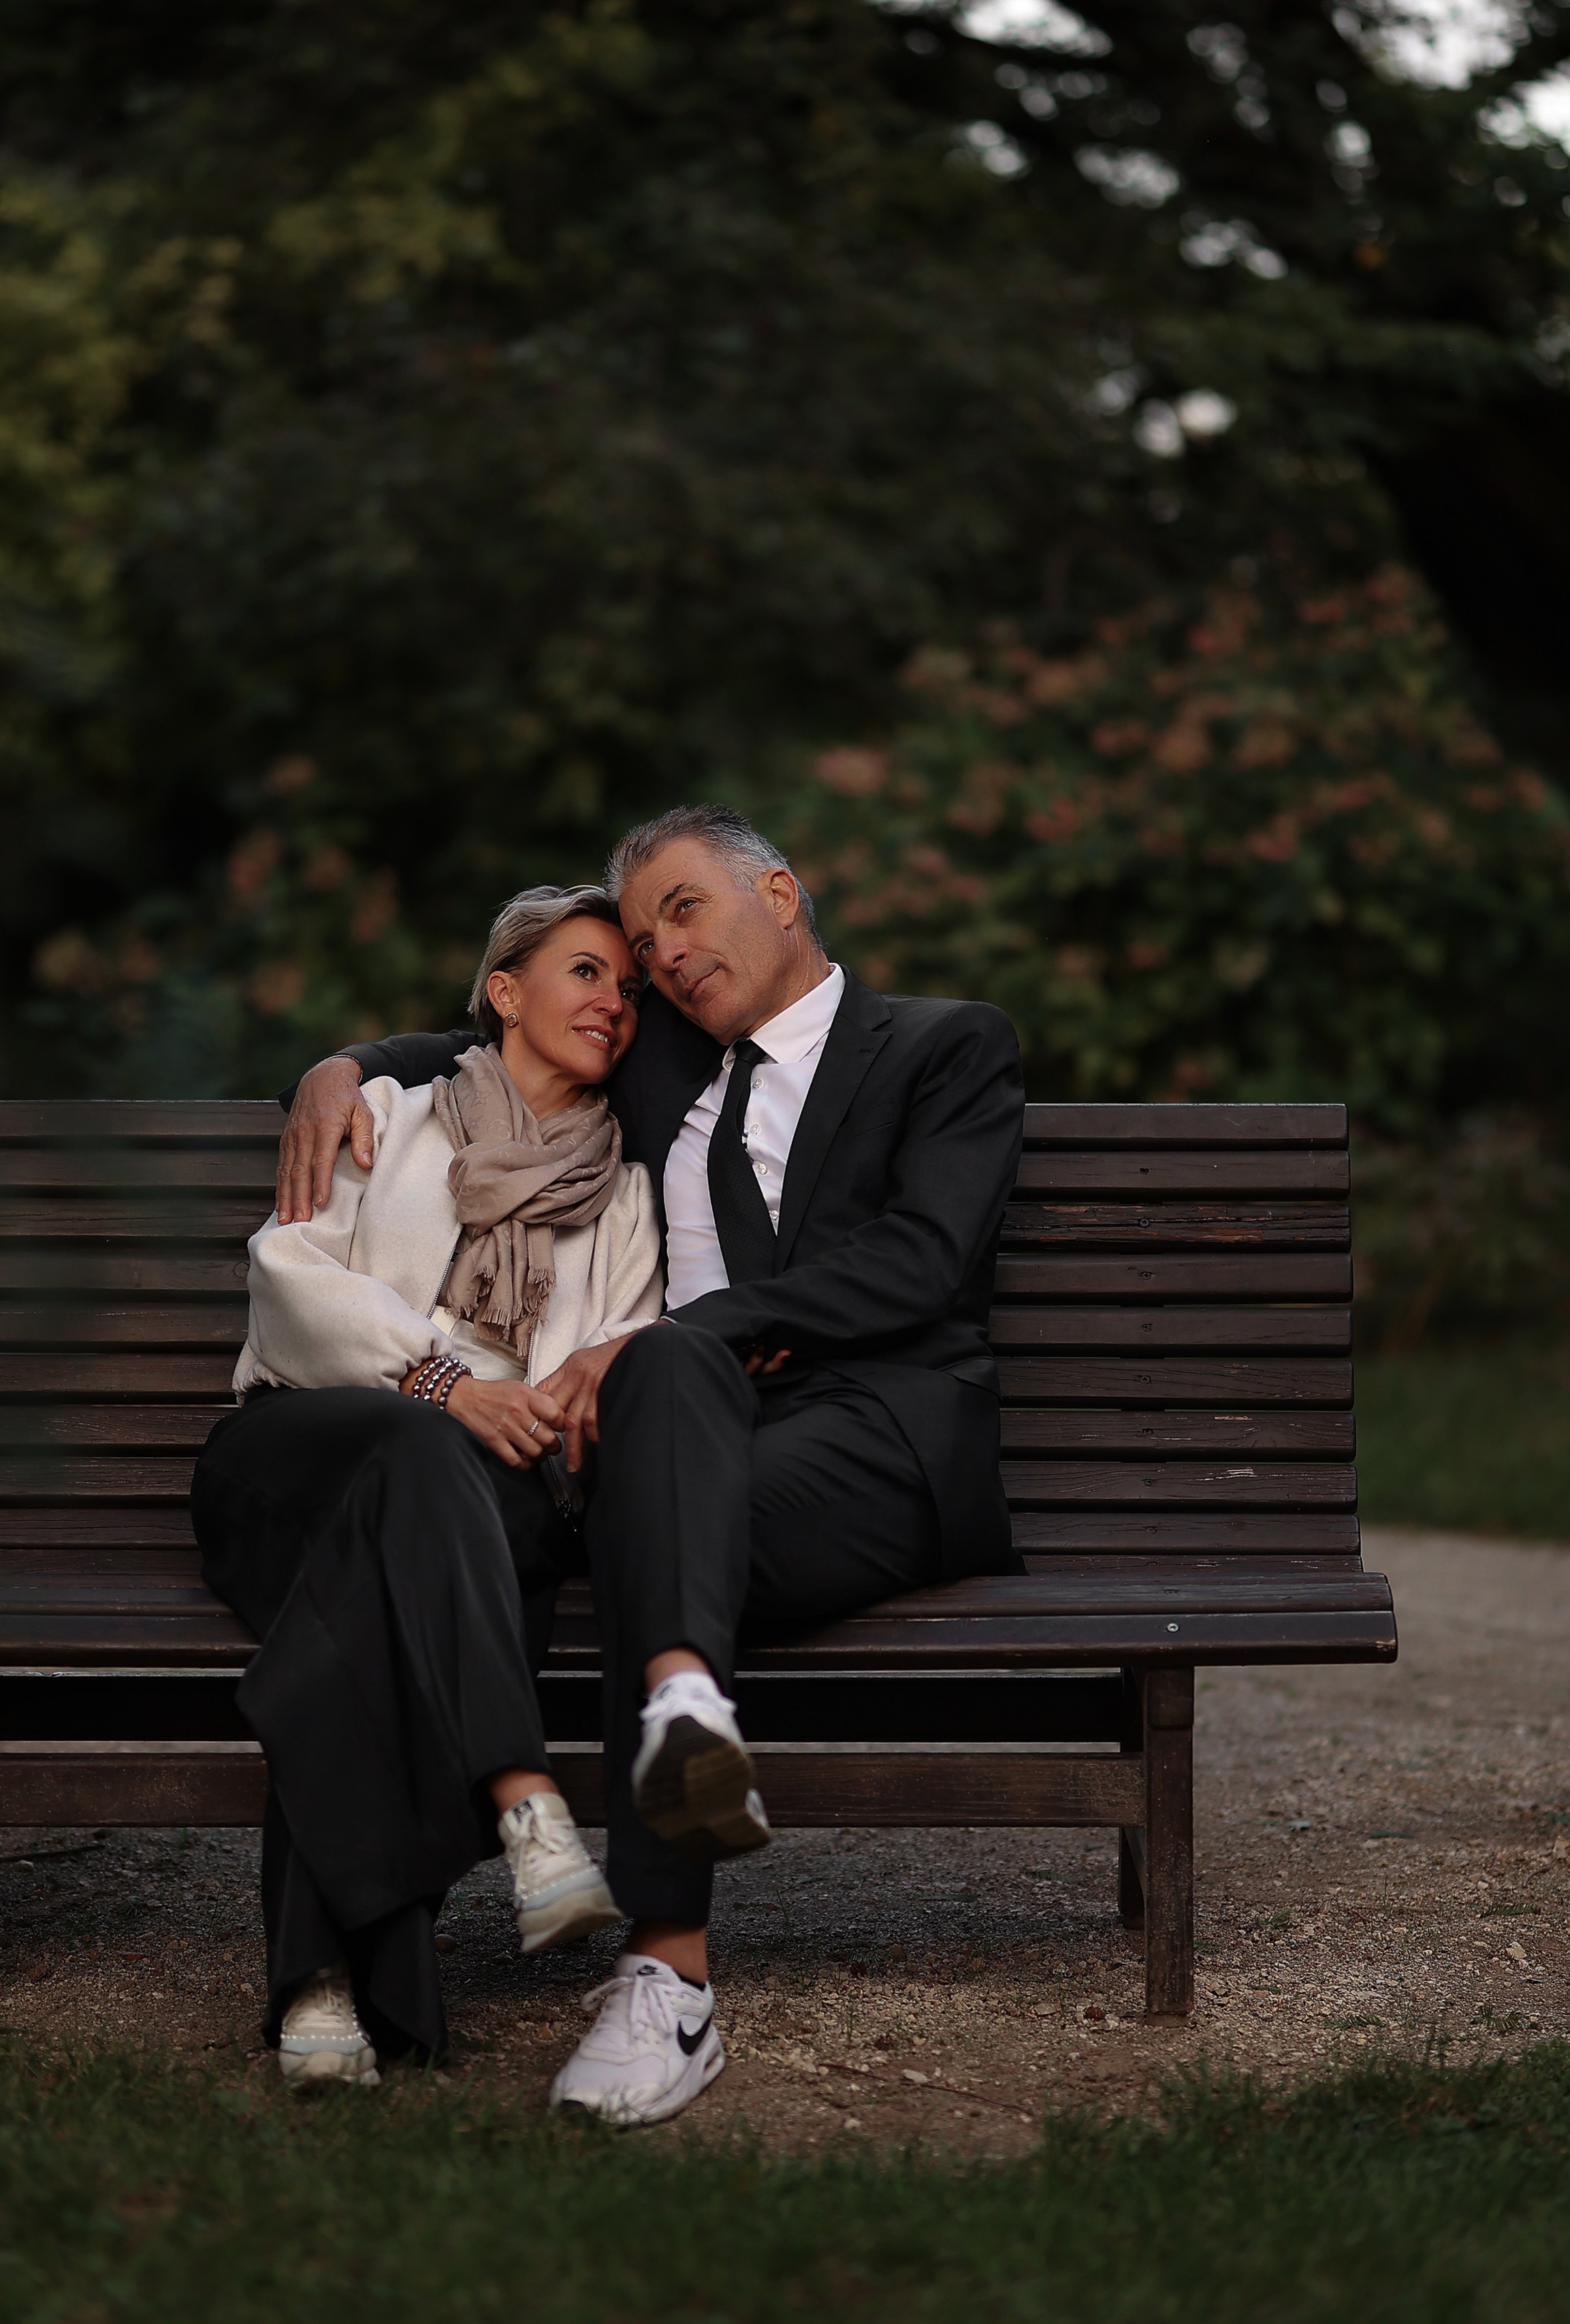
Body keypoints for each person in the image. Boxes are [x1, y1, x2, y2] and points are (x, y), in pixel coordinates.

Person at [276, 807, 1025, 2124]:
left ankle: (667, 1979)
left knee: (666, 1364)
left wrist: (693, 1334)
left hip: (870, 1450)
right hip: (666, 1458)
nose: (660, 958)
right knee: (422, 1514)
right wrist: (339, 1065)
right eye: (637, 941)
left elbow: (927, 1257)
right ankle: (343, 1953)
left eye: (683, 911)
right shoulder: (667, 1061)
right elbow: (490, 1038)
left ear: (780, 893)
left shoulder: (943, 1045)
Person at [193, 885, 662, 2088]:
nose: (613, 1001)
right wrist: (446, 1384)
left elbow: (596, 1370)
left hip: (486, 1495)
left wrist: (504, 1412)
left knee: (359, 1602)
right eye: (584, 972)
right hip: (296, 1454)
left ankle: (322, 1981)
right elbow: (287, 1280)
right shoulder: (392, 1118)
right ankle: (521, 1791)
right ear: (506, 992)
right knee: (411, 1452)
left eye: (626, 984)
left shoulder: (623, 1190)